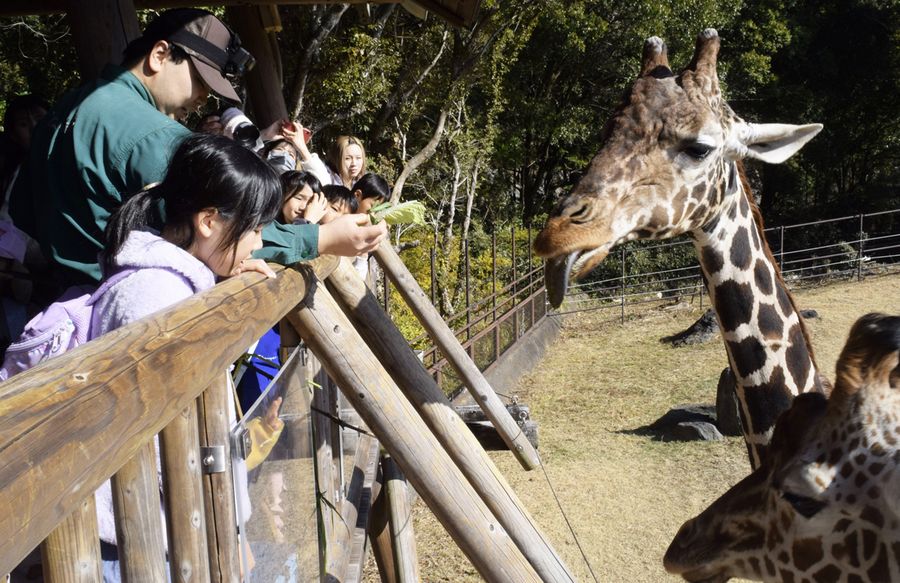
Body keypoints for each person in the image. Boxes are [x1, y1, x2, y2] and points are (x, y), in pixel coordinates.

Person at [10, 8, 386, 294]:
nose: (204, 96)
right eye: (201, 80)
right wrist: (320, 238)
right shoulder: (150, 132)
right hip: (127, 305)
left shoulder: (65, 109)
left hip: (59, 302)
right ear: (160, 55)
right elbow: (227, 225)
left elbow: (22, 211)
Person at [88, 133, 280, 581]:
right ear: (209, 221)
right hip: (142, 543)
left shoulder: (179, 284)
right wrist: (226, 530)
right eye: (253, 228)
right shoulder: (157, 296)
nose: (259, 242)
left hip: (165, 529)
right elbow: (158, 444)